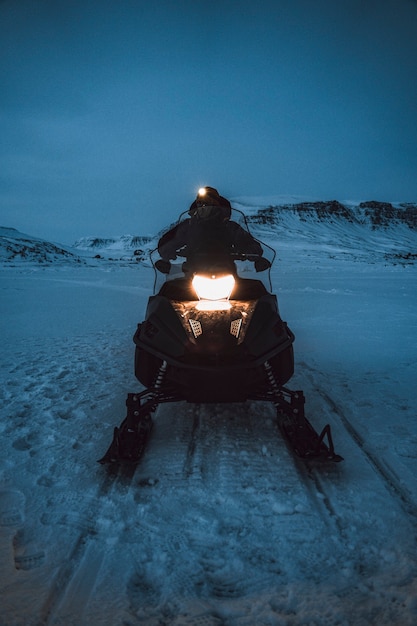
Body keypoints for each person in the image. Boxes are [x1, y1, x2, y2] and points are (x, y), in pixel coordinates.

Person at [156, 186, 270, 274]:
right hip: (192, 273)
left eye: (206, 204)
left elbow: (247, 242)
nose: (202, 207)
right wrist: (166, 250)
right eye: (199, 203)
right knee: (166, 297)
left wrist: (254, 254)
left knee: (256, 296)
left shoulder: (228, 227)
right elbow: (170, 239)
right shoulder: (189, 226)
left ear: (215, 205)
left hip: (226, 273)